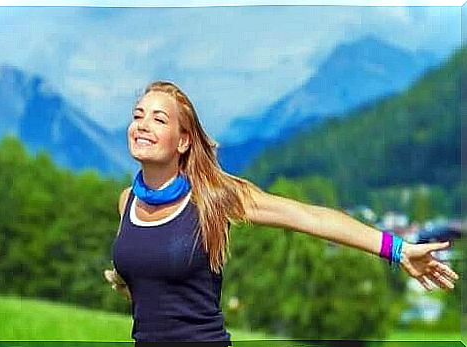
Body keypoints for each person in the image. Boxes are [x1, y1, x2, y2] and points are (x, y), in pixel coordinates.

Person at [104, 80, 459, 345]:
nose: (143, 124)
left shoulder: (213, 197)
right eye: (138, 116)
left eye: (158, 118)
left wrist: (397, 250)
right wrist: (126, 278)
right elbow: (155, 287)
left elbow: (310, 217)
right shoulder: (127, 203)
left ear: (183, 141)